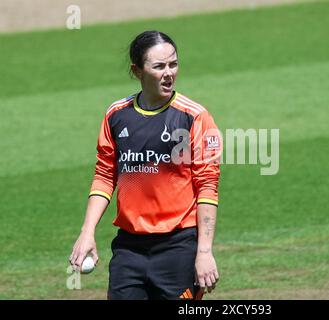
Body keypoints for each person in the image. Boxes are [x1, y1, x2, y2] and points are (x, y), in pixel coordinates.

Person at [69, 30, 221, 300]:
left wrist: (205, 251)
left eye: (173, 64)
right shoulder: (117, 115)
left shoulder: (194, 116)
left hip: (178, 248)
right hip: (129, 249)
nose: (169, 73)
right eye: (159, 66)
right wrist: (87, 232)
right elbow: (105, 175)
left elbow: (207, 187)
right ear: (137, 70)